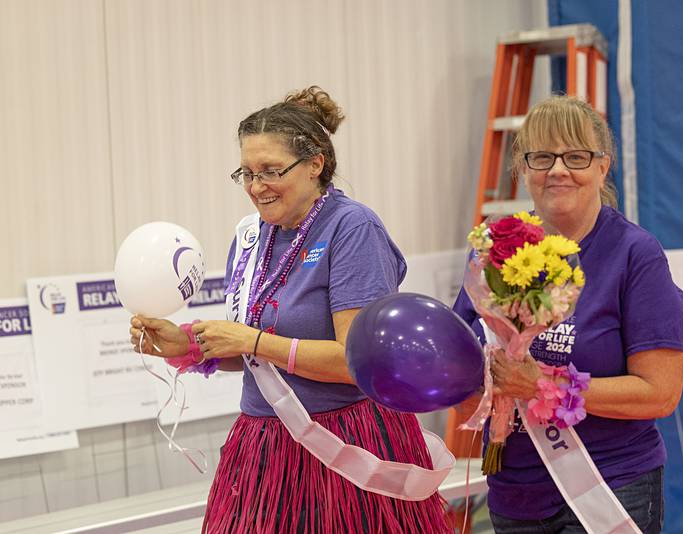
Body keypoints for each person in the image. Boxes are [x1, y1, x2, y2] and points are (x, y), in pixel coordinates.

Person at [129, 86, 451, 533]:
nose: (256, 187)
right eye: (246, 173)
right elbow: (252, 356)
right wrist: (185, 346)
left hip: (347, 441)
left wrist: (251, 339)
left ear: (315, 164)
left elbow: (357, 363)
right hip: (264, 444)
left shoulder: (352, 228)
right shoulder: (253, 236)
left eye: (271, 171)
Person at [453, 95, 683, 533]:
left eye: (576, 156)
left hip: (611, 486)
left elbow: (660, 393)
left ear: (603, 168)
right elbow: (461, 365)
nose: (558, 170)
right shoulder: (492, 250)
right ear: (522, 169)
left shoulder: (635, 255)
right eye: (542, 156)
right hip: (515, 488)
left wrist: (542, 385)